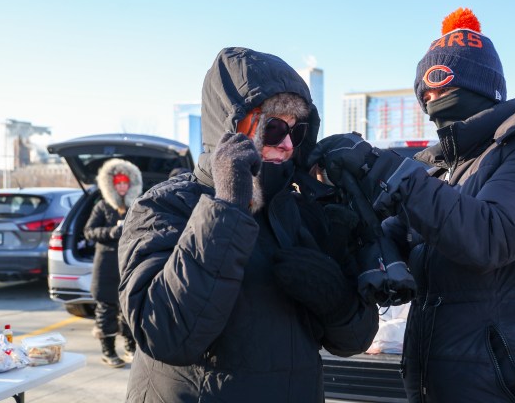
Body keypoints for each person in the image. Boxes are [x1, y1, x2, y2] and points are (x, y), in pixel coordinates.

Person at [310, 8, 515, 403]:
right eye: (422, 90)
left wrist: (380, 166)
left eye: (439, 83)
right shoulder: (438, 170)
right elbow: (393, 236)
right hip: (439, 382)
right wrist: (351, 208)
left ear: (477, 83)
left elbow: (491, 236)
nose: (429, 97)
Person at [117, 47, 379, 402]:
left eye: (297, 131)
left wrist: (338, 303)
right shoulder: (164, 206)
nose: (286, 145)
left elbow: (356, 340)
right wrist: (226, 207)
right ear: (231, 125)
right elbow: (165, 336)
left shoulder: (305, 210)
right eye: (272, 128)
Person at [84, 158, 142, 368]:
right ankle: (108, 350)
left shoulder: (136, 205)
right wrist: (111, 232)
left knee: (128, 307)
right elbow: (89, 232)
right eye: (118, 183)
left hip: (128, 264)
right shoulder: (102, 206)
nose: (122, 187)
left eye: (125, 183)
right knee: (106, 308)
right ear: (112, 185)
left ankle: (130, 347)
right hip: (106, 264)